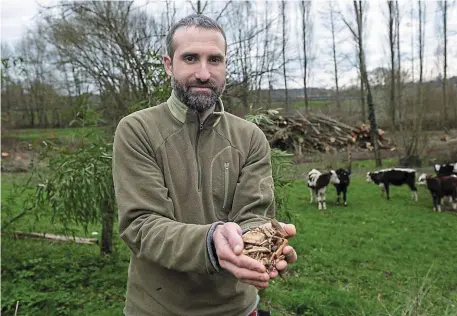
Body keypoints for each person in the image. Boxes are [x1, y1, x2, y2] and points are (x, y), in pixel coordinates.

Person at [112, 13, 297, 316]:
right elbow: (141, 225)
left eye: (214, 60)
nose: (203, 73)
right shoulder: (137, 130)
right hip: (157, 308)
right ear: (169, 64)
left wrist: (265, 244)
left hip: (237, 308)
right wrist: (211, 242)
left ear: (225, 65)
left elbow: (253, 215)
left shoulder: (249, 137)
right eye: (190, 58)